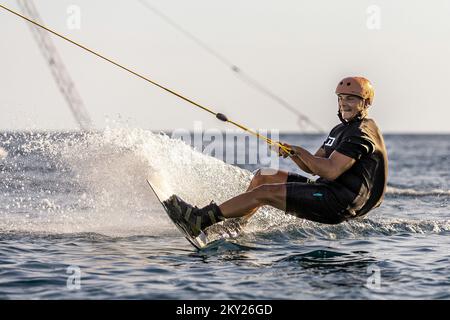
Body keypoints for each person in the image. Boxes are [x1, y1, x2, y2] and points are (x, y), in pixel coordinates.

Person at [163, 76, 388, 238]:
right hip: (328, 189)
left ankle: (199, 220)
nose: (344, 104)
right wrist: (293, 154)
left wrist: (300, 151)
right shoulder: (341, 129)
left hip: (339, 202)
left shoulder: (361, 133)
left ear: (365, 103)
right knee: (264, 177)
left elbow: (330, 170)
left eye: (351, 99)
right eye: (341, 98)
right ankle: (233, 226)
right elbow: (313, 167)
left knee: (263, 194)